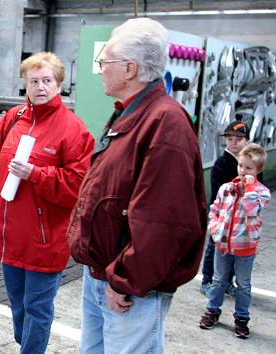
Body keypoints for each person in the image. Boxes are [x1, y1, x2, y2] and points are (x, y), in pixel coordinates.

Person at [67, 18, 207, 353]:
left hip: (128, 288)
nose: (100, 69)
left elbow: (163, 223)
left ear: (130, 68)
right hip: (103, 274)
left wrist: (125, 280)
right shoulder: (131, 113)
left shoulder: (164, 123)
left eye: (106, 62)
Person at [0, 52, 95, 353]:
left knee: (37, 308)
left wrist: (36, 174)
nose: (41, 86)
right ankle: (25, 343)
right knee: (18, 305)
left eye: (47, 81)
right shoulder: (11, 120)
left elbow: (79, 185)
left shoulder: (73, 130)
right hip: (9, 234)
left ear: (59, 85)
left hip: (44, 239)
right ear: (25, 85)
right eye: (34, 81)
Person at [199, 143, 270, 339]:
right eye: (241, 166)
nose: (243, 170)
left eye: (248, 168)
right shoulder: (226, 188)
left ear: (258, 170)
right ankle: (212, 310)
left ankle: (241, 318)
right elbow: (215, 209)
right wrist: (214, 229)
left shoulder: (261, 193)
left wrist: (247, 188)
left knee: (243, 284)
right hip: (223, 244)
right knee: (218, 280)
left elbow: (251, 210)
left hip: (245, 247)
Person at [200, 121, 258, 296]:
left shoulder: (253, 165)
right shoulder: (222, 164)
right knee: (214, 246)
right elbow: (219, 195)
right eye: (230, 139)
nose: (233, 143)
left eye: (238, 139)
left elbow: (257, 190)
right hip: (223, 216)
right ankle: (208, 280)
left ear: (247, 141)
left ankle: (227, 281)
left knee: (236, 249)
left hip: (243, 218)